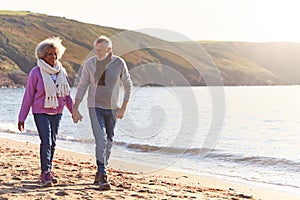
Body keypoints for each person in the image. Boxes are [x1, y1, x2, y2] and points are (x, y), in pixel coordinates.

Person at [72, 35, 133, 190]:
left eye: (100, 50)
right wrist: (76, 107)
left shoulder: (119, 63)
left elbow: (128, 85)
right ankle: (103, 174)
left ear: (109, 50)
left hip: (113, 108)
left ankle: (100, 170)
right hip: (94, 106)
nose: (97, 53)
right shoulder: (90, 64)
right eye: (95, 49)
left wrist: (123, 107)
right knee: (101, 139)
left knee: (110, 140)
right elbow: (82, 86)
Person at [18, 37, 73, 187]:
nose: (53, 57)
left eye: (55, 53)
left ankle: (47, 171)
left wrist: (74, 112)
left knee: (53, 143)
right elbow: (28, 95)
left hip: (57, 112)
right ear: (42, 55)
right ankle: (46, 172)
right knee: (46, 141)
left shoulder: (62, 71)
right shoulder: (36, 72)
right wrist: (21, 117)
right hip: (40, 112)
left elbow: (66, 95)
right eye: (49, 54)